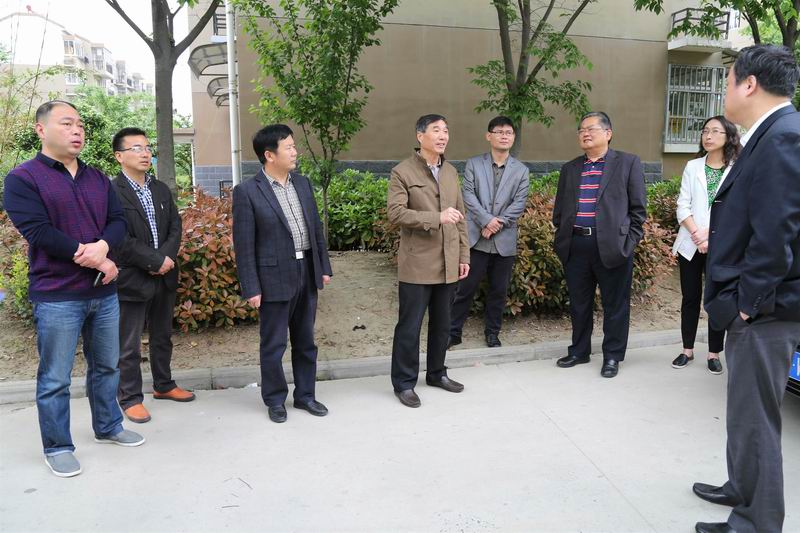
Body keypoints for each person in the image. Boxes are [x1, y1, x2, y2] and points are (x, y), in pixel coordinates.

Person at [4, 100, 144, 478]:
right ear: (41, 129)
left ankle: (108, 426)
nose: (77, 130)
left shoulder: (96, 177)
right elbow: (38, 232)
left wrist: (104, 247)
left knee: (107, 367)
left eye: (79, 124)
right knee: (55, 378)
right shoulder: (23, 178)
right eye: (67, 123)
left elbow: (117, 221)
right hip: (58, 295)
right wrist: (98, 258)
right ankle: (58, 446)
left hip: (102, 293)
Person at [693, 45, 800, 533]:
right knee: (742, 409)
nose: (724, 90)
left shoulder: (784, 136)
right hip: (758, 305)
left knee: (756, 417)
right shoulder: (768, 134)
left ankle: (756, 522)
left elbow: (776, 235)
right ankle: (742, 487)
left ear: (750, 84)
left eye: (728, 80)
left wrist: (746, 305)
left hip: (766, 309)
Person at [232, 124, 332, 424]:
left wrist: (323, 267)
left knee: (306, 341)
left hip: (306, 270)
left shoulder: (302, 183)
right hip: (272, 277)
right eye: (288, 147)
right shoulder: (248, 192)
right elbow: (244, 245)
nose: (294, 151)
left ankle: (306, 395)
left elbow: (315, 228)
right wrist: (251, 287)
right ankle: (275, 399)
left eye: (294, 146)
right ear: (269, 155)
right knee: (274, 344)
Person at [552, 111, 647, 378]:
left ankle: (612, 356)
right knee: (579, 303)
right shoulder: (570, 168)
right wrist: (562, 237)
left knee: (615, 304)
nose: (585, 133)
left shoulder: (627, 163)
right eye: (581, 130)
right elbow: (559, 211)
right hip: (575, 245)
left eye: (591, 128)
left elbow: (638, 211)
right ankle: (579, 351)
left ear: (608, 133)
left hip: (613, 246)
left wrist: (628, 242)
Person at [387, 114, 470, 408]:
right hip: (417, 264)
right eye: (436, 130)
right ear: (420, 136)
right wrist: (436, 218)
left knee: (443, 324)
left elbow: (460, 217)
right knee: (409, 327)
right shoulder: (402, 172)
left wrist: (464, 255)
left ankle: (437, 373)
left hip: (449, 262)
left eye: (446, 130)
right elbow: (395, 213)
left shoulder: (450, 172)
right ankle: (404, 383)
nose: (443, 135)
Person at [111, 127, 194, 425]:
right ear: (119, 156)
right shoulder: (112, 192)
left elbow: (175, 226)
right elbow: (118, 237)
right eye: (136, 148)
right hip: (133, 277)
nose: (145, 153)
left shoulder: (160, 189)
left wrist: (166, 259)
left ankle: (164, 384)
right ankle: (130, 398)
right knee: (129, 343)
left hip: (165, 274)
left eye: (147, 148)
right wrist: (154, 261)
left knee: (162, 336)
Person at [448, 116, 530, 349]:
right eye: (499, 132)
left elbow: (519, 203)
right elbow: (468, 195)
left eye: (509, 133)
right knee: (465, 289)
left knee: (498, 292)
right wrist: (486, 220)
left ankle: (492, 333)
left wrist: (496, 224)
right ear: (489, 136)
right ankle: (453, 332)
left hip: (503, 241)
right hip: (476, 239)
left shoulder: (521, 170)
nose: (504, 136)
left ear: (513, 137)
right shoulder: (474, 164)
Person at [670, 116, 739, 375]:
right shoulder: (693, 166)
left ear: (728, 136)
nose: (708, 136)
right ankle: (687, 350)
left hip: (721, 246)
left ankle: (714, 353)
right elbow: (682, 205)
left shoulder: (736, 169)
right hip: (690, 243)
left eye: (715, 131)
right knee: (690, 298)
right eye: (705, 131)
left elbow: (736, 211)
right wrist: (697, 234)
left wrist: (710, 236)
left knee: (716, 299)